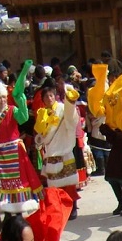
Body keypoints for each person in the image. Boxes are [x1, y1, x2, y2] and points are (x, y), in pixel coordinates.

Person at [0, 61, 43, 214]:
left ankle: (19, 208)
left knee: (20, 179)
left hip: (14, 150)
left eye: (3, 97)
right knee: (3, 180)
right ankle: (6, 208)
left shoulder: (12, 110)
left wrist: (21, 102)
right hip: (2, 153)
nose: (1, 100)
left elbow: (24, 118)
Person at [35, 84, 81, 218]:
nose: (49, 98)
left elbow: (71, 118)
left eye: (51, 95)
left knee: (69, 184)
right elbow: (40, 134)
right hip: (50, 152)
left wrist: (70, 101)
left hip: (64, 150)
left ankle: (73, 207)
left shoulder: (62, 108)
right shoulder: (42, 113)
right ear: (43, 99)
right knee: (55, 187)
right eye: (46, 96)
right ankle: (59, 208)